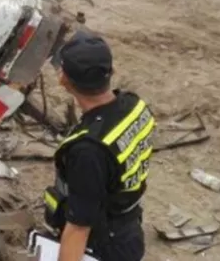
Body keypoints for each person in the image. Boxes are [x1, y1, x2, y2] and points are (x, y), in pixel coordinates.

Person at [44, 31, 154, 261]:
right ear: (110, 72)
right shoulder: (134, 105)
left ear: (63, 79)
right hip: (129, 228)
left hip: (105, 245)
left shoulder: (88, 150)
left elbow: (78, 229)